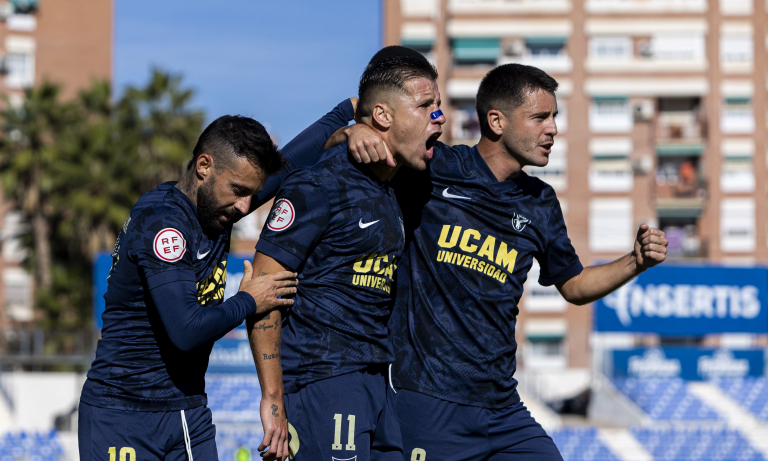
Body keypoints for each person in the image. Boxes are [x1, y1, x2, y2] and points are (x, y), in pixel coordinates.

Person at [344, 61, 668, 460]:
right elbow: (343, 158)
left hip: (502, 409)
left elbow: (574, 285)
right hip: (427, 400)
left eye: (554, 117)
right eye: (540, 117)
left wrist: (635, 261)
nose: (553, 129)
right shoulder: (433, 168)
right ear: (496, 121)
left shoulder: (541, 202)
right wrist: (352, 132)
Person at [78, 100, 359, 461]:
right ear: (204, 166)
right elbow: (186, 331)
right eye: (239, 191)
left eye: (251, 193)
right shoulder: (163, 224)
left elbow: (289, 162)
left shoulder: (217, 205)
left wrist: (347, 115)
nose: (245, 206)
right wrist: (249, 300)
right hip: (123, 415)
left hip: (188, 410)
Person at [247, 49, 445, 461]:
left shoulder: (393, 188)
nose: (439, 118)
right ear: (383, 116)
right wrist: (273, 401)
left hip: (377, 383)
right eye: (426, 106)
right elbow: (263, 291)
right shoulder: (318, 185)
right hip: (323, 382)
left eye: (438, 106)